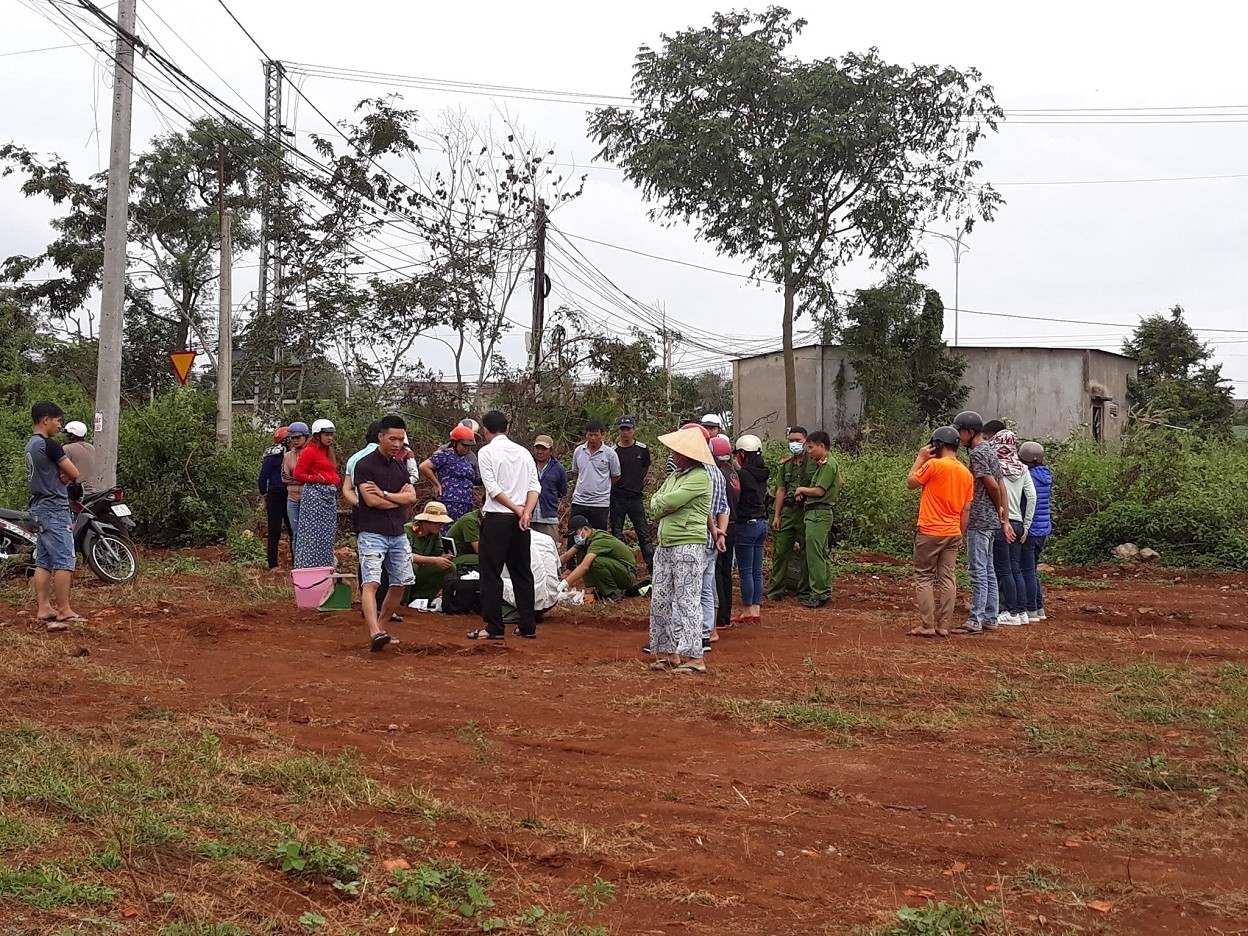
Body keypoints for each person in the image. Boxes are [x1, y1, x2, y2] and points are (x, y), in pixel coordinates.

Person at [467, 410, 541, 641]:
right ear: (507, 429)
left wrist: (518, 509)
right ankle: (528, 625)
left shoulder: (486, 452)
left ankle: (494, 627)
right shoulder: (524, 452)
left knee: (491, 573)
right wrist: (525, 512)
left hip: (499, 517)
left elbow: (493, 488)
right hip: (521, 520)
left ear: (486, 430)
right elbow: (534, 486)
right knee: (522, 572)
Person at [648, 425, 714, 675]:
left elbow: (667, 501)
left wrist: (664, 503)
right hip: (667, 543)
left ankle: (695, 657)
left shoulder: (699, 476)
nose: (673, 454)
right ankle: (670, 652)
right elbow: (656, 502)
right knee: (661, 600)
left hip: (688, 543)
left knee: (687, 600)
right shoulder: (675, 476)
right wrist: (664, 504)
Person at [352, 415, 418, 651]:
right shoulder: (365, 465)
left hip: (397, 532)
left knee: (400, 583)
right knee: (371, 582)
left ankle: (380, 629)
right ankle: (374, 631)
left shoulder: (400, 466)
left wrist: (386, 495)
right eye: (393, 438)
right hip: (371, 532)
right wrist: (393, 499)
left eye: (401, 439)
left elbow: (411, 498)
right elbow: (370, 501)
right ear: (380, 437)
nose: (397, 444)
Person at [905, 426, 974, 638]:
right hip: (953, 531)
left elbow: (911, 483)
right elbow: (966, 509)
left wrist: (920, 457)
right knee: (948, 578)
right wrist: (959, 533)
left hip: (930, 530)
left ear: (937, 445)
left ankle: (927, 625)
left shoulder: (933, 465)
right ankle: (944, 625)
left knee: (924, 576)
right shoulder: (965, 473)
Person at [950, 411, 1011, 636]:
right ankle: (990, 617)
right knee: (989, 570)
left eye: (960, 431)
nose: (958, 435)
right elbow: (1001, 485)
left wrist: (997, 509)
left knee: (978, 572)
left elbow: (992, 485)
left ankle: (975, 620)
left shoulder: (977, 453)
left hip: (979, 519)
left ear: (970, 431)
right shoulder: (989, 450)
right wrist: (1002, 515)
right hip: (991, 520)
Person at [26, 401, 82, 631]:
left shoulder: (31, 445)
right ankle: (64, 609)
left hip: (38, 507)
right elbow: (74, 472)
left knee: (44, 560)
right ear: (45, 420)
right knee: (64, 560)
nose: (60, 425)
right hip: (54, 508)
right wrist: (67, 477)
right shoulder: (50, 445)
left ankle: (44, 607)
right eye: (58, 420)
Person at [791, 430, 841, 608]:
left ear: (822, 446)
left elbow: (819, 491)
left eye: (811, 447)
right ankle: (824, 590)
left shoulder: (828, 464)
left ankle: (818, 593)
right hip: (816, 513)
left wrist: (802, 490)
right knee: (821, 553)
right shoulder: (824, 464)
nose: (809, 451)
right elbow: (839, 482)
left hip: (818, 514)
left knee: (815, 555)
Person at [992, 430, 1037, 626]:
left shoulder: (996, 467)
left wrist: (1003, 522)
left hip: (1003, 522)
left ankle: (1011, 611)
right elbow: (1032, 497)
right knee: (1016, 568)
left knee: (1004, 569)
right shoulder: (1022, 468)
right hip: (1019, 523)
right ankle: (1022, 612)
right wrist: (1026, 525)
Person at [767, 426, 814, 601]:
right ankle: (776, 590)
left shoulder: (815, 462)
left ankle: (804, 591)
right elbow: (780, 490)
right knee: (780, 552)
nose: (794, 444)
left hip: (805, 513)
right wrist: (777, 515)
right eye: (791, 441)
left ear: (806, 441)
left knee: (806, 553)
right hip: (787, 512)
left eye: (798, 441)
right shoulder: (786, 464)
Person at [730, 434, 769, 624]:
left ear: (743, 453)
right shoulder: (763, 473)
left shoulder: (743, 474)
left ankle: (747, 610)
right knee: (757, 570)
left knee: (745, 571)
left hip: (746, 524)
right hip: (761, 522)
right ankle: (756, 609)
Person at [292, 419, 340, 569]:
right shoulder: (310, 451)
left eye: (331, 435)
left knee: (327, 534)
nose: (329, 438)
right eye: (326, 434)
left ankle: (325, 565)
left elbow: (332, 472)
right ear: (317, 435)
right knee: (312, 534)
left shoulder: (327, 452)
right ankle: (309, 566)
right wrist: (316, 479)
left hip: (328, 496)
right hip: (314, 496)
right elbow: (297, 474)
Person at [610, 416, 654, 572]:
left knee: (643, 533)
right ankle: (620, 565)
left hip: (635, 497)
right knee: (616, 533)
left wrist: (636, 483)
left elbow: (644, 469)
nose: (625, 432)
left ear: (634, 430)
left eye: (628, 429)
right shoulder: (612, 451)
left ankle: (651, 565)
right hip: (617, 498)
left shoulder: (642, 449)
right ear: (618, 431)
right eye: (622, 429)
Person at [559, 514, 637, 599]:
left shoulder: (598, 540)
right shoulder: (586, 540)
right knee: (581, 552)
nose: (575, 537)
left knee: (595, 561)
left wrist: (563, 584)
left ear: (585, 529)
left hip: (627, 575)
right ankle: (598, 588)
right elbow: (567, 556)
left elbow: (584, 566)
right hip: (617, 569)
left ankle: (613, 593)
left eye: (576, 534)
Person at [1019, 441, 1052, 622]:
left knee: (1026, 570)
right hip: (1043, 529)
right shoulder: (1046, 475)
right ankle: (1039, 608)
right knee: (1032, 569)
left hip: (1030, 530)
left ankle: (1031, 609)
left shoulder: (1028, 477)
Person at [710, 436, 740, 632]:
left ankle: (719, 618)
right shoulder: (732, 473)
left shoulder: (717, 475)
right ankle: (725, 616)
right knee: (726, 573)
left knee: (717, 573)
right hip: (734, 524)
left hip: (721, 526)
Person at [419, 426, 477, 521]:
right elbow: (424, 467)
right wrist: (436, 484)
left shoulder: (467, 459)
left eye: (469, 446)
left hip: (466, 502)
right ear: (454, 443)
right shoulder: (445, 455)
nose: (467, 449)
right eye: (464, 445)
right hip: (449, 501)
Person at [570, 420, 620, 531]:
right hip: (579, 501)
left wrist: (602, 488)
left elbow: (615, 476)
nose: (593, 438)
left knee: (598, 534)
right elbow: (576, 473)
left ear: (602, 435)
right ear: (586, 435)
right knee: (575, 533)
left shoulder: (610, 454)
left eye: (596, 435)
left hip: (600, 503)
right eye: (590, 435)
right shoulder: (579, 451)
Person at [405, 501, 455, 607]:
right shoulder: (409, 530)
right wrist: (434, 560)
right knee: (411, 566)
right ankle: (402, 600)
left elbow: (438, 552)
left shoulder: (435, 534)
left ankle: (422, 597)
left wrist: (444, 557)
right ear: (427, 521)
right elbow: (405, 556)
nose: (441, 526)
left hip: (423, 569)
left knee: (449, 567)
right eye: (438, 523)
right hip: (407, 568)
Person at [258, 426, 293, 570]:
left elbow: (262, 478)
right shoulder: (293, 455)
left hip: (274, 495)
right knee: (293, 529)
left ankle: (272, 564)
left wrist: (264, 493)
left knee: (274, 530)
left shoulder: (270, 456)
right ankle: (297, 562)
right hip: (290, 494)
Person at [531, 435, 567, 546]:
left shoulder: (558, 468)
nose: (540, 452)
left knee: (550, 549)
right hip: (529, 517)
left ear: (550, 451)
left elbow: (562, 491)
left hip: (549, 518)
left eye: (544, 449)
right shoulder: (527, 464)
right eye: (538, 448)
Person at [281, 422, 309, 557]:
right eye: (293, 438)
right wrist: (302, 478)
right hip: (292, 497)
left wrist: (298, 477)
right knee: (295, 531)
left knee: (308, 531)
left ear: (305, 437)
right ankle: (297, 561)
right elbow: (284, 477)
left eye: (298, 437)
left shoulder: (310, 454)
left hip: (308, 497)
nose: (295, 440)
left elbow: (311, 476)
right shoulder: (287, 456)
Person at [62, 420, 97, 497]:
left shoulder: (67, 448)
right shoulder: (91, 448)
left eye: (67, 435)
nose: (66, 438)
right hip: (91, 493)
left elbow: (62, 472)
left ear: (72, 436)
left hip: (74, 493)